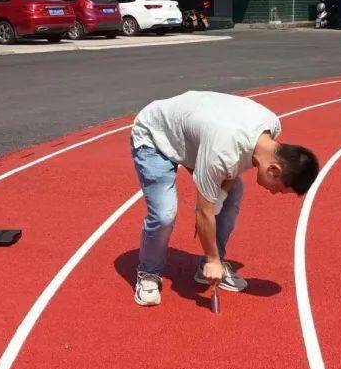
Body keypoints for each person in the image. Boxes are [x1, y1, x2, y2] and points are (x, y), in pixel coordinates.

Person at [130, 91, 320, 306]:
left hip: (195, 139)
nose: (274, 193)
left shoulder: (270, 128)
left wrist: (220, 197)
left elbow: (231, 170)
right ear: (274, 170)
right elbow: (203, 211)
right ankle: (148, 272)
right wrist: (212, 257)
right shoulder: (222, 151)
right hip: (155, 135)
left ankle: (208, 267)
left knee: (232, 192)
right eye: (279, 189)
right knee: (165, 214)